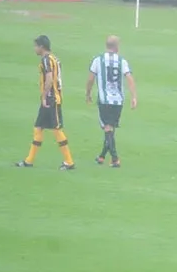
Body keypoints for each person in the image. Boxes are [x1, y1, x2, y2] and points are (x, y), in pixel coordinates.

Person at [15, 35, 75, 170]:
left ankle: (69, 162)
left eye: (36, 46)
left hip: (51, 99)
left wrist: (43, 96)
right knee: (38, 128)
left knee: (57, 129)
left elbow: (49, 79)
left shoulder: (47, 60)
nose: (34, 49)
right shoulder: (55, 59)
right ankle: (29, 161)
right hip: (52, 98)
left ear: (41, 47)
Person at [86, 35, 137, 168]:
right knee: (110, 128)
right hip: (118, 101)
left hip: (104, 100)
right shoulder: (122, 61)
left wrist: (88, 93)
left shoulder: (98, 60)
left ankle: (115, 158)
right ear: (117, 47)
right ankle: (102, 156)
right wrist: (133, 97)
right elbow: (129, 78)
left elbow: (91, 78)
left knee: (107, 128)